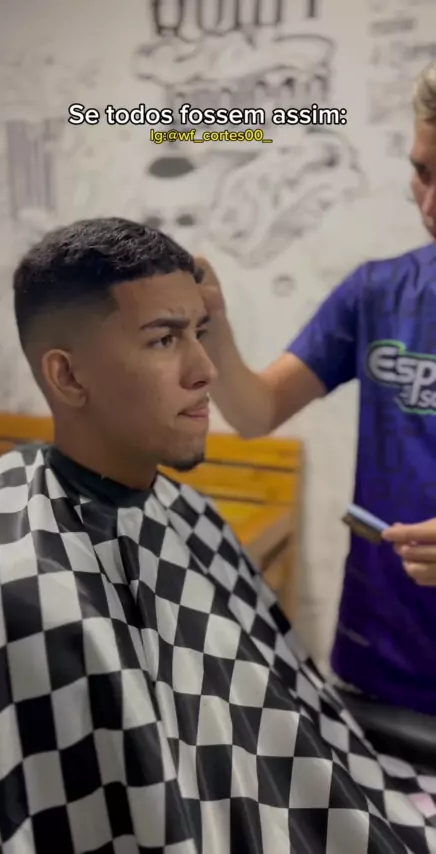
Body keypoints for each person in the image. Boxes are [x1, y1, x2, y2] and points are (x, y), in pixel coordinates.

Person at [0, 217, 435, 854]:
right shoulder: (23, 583)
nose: (207, 370)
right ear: (68, 377)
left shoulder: (181, 511)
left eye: (200, 334)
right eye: (164, 339)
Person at [198, 61, 436, 719]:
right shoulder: (378, 292)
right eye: (422, 172)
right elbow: (256, 412)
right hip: (378, 660)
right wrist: (211, 327)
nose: (430, 206)